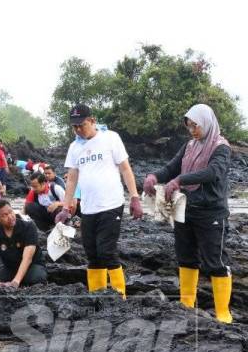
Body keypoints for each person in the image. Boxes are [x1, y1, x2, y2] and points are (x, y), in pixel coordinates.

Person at [143, 104, 233, 323]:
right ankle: (186, 305)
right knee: (186, 257)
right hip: (184, 209)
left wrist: (180, 180)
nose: (192, 130)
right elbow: (172, 168)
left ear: (207, 122)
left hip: (211, 212)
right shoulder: (189, 146)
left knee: (216, 261)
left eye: (196, 125)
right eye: (189, 126)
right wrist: (154, 176)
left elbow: (213, 173)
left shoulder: (221, 147)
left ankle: (223, 312)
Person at [56, 104, 143, 298]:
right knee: (92, 254)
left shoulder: (111, 138)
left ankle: (120, 297)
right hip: (88, 208)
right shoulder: (74, 147)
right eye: (74, 126)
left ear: (92, 121)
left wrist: (135, 197)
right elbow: (71, 178)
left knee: (106, 251)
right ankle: (97, 296)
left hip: (111, 205)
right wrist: (65, 207)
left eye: (81, 125)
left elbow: (125, 169)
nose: (78, 129)